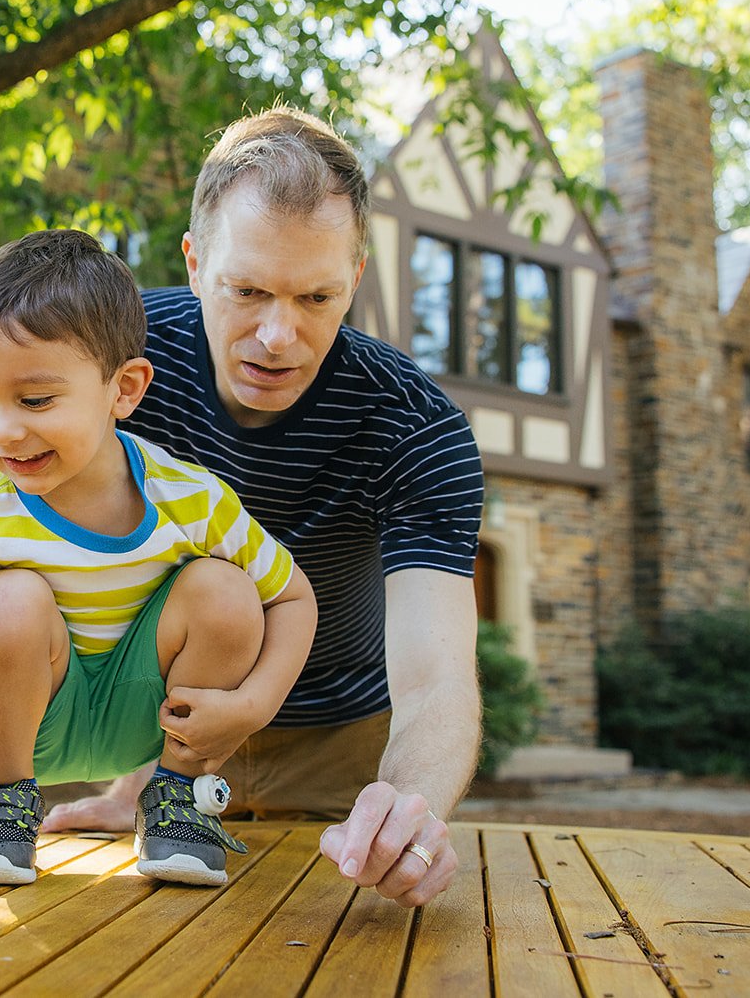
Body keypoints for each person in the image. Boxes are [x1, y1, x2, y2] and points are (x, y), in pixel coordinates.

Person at [41, 107, 485, 909]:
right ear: (195, 258)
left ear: (354, 278)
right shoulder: (110, 372)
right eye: (246, 290)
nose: (278, 335)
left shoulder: (416, 427)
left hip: (336, 748)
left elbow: (436, 677)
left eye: (316, 297)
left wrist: (408, 806)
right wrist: (128, 778)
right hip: (160, 728)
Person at [0, 229, 317, 887]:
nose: (3, 429)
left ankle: (176, 801)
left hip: (154, 723)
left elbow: (293, 596)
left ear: (123, 389)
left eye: (35, 399)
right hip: (21, 716)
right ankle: (2, 807)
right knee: (3, 599)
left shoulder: (190, 498)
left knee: (228, 591)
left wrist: (257, 704)